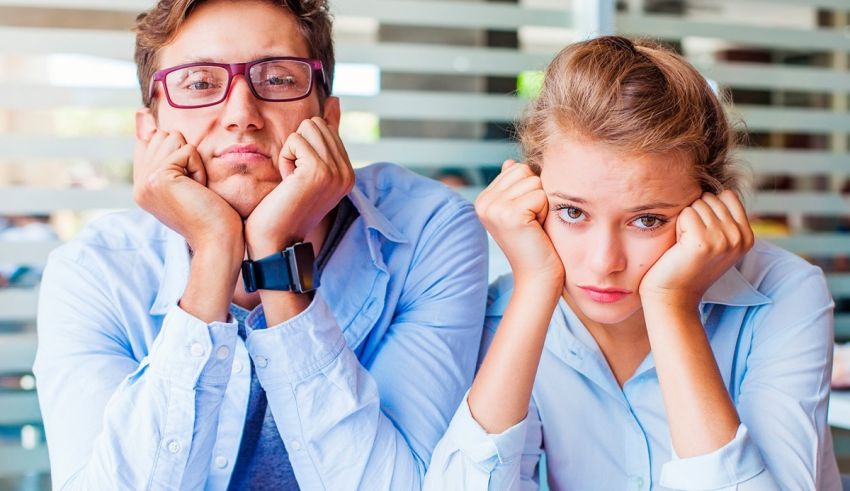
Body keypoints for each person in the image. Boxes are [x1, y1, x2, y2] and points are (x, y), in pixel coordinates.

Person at [33, 0, 488, 489]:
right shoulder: (93, 272)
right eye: (200, 83)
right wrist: (214, 251)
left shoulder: (428, 232)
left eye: (277, 79)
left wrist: (277, 252)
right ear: (149, 133)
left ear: (329, 120)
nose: (241, 114)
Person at [425, 36, 840, 490]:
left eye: (647, 220)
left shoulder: (785, 293)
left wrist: (673, 306)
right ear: (533, 193)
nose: (605, 262)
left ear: (711, 207)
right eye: (573, 212)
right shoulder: (512, 307)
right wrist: (533, 289)